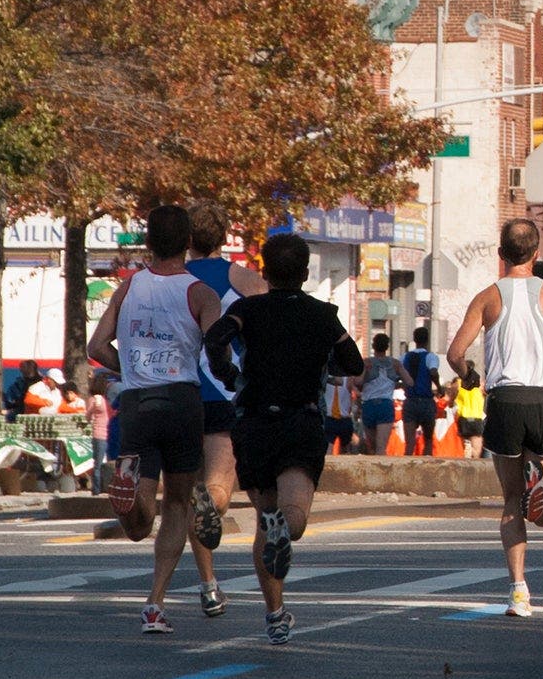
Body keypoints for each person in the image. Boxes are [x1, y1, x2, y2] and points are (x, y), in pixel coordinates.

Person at [201, 233, 364, 645]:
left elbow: (216, 338)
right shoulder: (323, 315)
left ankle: (275, 613)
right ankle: (282, 532)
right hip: (300, 421)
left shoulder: (246, 309)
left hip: (253, 420)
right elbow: (353, 362)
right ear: (306, 273)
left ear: (265, 272)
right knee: (294, 518)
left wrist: (229, 375)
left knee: (264, 515)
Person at [445, 217, 543, 619]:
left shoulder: (487, 298)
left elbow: (455, 354)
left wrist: (470, 376)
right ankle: (539, 487)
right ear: (536, 254)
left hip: (504, 402)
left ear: (500, 254)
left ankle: (518, 592)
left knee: (511, 502)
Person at [88, 204, 225, 634]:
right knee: (179, 504)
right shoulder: (202, 293)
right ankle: (155, 603)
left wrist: (126, 367)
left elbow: (97, 346)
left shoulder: (128, 289)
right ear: (187, 243)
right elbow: (219, 351)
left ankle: (130, 505)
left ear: (148, 242)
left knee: (140, 522)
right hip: (183, 400)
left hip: (137, 401)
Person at [182, 203, 268, 618]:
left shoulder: (167, 278)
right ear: (223, 236)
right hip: (223, 391)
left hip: (175, 394)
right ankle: (211, 504)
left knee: (188, 491)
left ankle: (208, 584)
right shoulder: (242, 278)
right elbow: (273, 320)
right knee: (217, 490)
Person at [357, 334, 412, 456]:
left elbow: (358, 381)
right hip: (385, 405)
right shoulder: (395, 364)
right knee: (381, 448)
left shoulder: (366, 362)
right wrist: (394, 384)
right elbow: (409, 382)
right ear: (387, 347)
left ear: (373, 346)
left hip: (369, 405)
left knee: (371, 447)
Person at [399, 326, 443, 457]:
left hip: (410, 402)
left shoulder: (404, 357)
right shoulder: (431, 357)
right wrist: (439, 387)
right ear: (427, 340)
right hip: (426, 402)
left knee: (409, 443)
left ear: (414, 340)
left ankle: (406, 469)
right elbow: (433, 372)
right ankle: (427, 468)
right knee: (428, 440)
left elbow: (399, 375)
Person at [87, 375, 114, 494]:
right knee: (103, 463)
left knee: (102, 463)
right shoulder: (100, 400)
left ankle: (101, 488)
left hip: (103, 433)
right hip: (104, 433)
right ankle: (101, 488)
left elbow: (88, 416)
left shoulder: (99, 399)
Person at [454, 362, 487, 460]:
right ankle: (474, 464)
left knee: (464, 445)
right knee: (477, 448)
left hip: (463, 418)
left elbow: (451, 397)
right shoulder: (479, 384)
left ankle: (467, 457)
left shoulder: (458, 384)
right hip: (476, 417)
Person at [322, 373, 358, 456]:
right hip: (329, 417)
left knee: (346, 449)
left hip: (344, 418)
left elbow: (356, 391)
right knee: (328, 448)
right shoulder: (326, 377)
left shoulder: (348, 378)